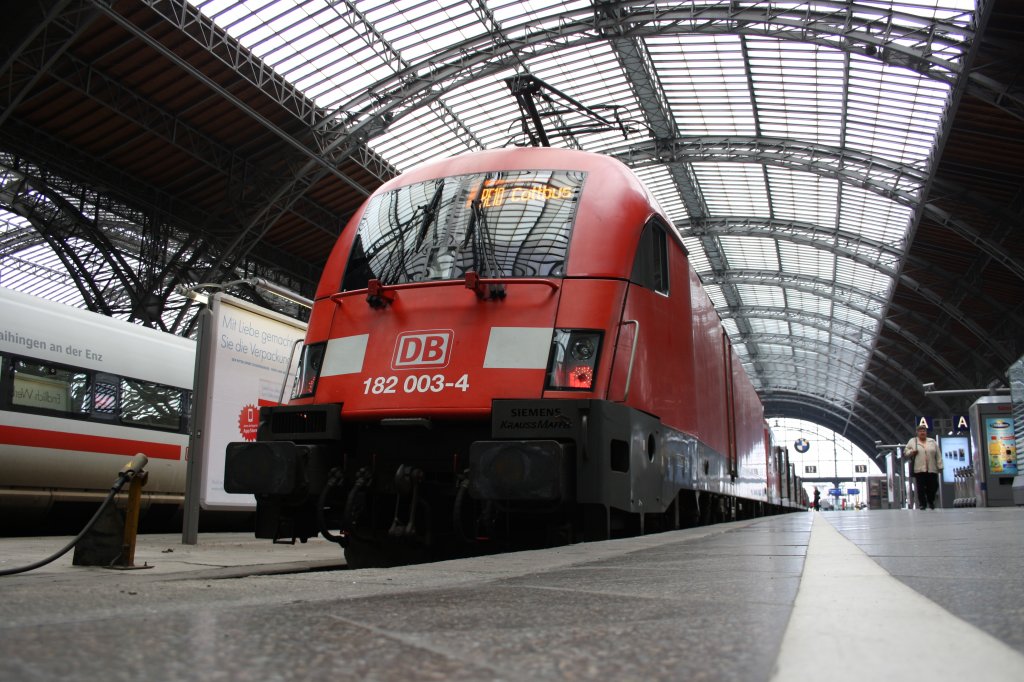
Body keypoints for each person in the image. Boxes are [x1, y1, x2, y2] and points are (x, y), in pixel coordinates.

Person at [904, 425, 943, 509]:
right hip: (919, 469)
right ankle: (922, 504)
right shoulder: (913, 441)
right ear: (917, 433)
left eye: (924, 431)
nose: (922, 433)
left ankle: (930, 501)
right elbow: (906, 452)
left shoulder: (932, 441)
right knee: (920, 487)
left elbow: (938, 454)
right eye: (920, 431)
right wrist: (912, 452)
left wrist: (940, 466)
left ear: (926, 432)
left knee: (933, 486)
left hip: (932, 468)